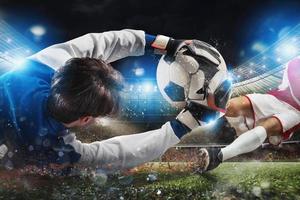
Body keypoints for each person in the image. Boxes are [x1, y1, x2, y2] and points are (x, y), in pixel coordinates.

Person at [0, 29, 220, 173]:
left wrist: (168, 44)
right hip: (12, 147)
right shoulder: (53, 147)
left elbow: (103, 42)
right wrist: (186, 124)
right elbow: (121, 153)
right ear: (86, 119)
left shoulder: (42, 65)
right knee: (60, 169)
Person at [198, 57, 300, 172]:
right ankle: (191, 117)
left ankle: (217, 156)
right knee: (230, 105)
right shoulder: (297, 61)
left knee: (268, 126)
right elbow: (293, 75)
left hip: (296, 113)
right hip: (277, 98)